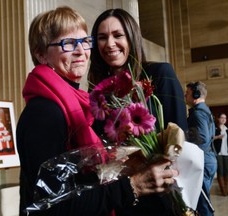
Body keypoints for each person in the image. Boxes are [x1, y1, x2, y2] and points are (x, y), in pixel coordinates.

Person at [16, 6, 178, 216]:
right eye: (68, 43)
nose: (81, 51)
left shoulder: (79, 103)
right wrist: (133, 186)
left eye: (85, 42)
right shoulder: (43, 113)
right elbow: (54, 206)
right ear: (41, 54)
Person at [88, 8, 188, 216]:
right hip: (124, 197)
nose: (110, 44)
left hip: (164, 196)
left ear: (132, 37)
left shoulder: (160, 74)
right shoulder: (99, 94)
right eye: (102, 37)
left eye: (118, 35)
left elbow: (180, 138)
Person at [185, 81, 217, 216]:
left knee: (203, 204)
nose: (185, 96)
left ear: (196, 94)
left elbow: (202, 139)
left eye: (187, 93)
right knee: (202, 201)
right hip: (208, 159)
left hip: (203, 160)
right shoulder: (204, 110)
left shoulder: (198, 113)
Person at [213, 112, 228, 196]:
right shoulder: (215, 128)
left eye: (225, 118)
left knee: (226, 171)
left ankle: (226, 189)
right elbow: (210, 138)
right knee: (220, 171)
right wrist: (217, 137)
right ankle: (223, 190)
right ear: (218, 119)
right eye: (222, 118)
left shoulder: (227, 129)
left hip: (226, 153)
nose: (223, 119)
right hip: (218, 152)